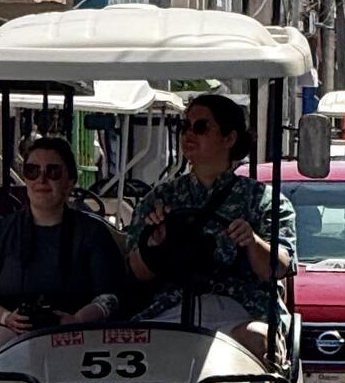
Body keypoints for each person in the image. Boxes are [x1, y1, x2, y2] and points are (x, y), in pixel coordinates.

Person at [126, 94, 295, 353]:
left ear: (230, 138)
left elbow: (277, 268)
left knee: (258, 339)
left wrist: (252, 241)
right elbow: (137, 272)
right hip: (172, 306)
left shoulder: (262, 201)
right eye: (185, 127)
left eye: (201, 127)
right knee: (126, 343)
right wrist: (154, 244)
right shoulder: (160, 199)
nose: (189, 135)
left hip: (241, 308)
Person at [0, 139, 127, 362]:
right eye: (32, 171)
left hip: (79, 333)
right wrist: (7, 318)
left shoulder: (93, 233)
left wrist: (78, 320)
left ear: (70, 181)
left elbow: (111, 295)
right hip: (11, 331)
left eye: (53, 171)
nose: (41, 180)